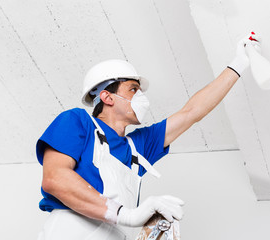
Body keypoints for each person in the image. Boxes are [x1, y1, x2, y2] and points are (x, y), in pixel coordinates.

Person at [36, 34, 258, 239]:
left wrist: (237, 65)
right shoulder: (77, 121)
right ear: (107, 97)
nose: (141, 97)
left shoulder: (138, 148)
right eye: (133, 89)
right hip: (70, 232)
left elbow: (191, 113)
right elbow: (55, 179)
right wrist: (128, 216)